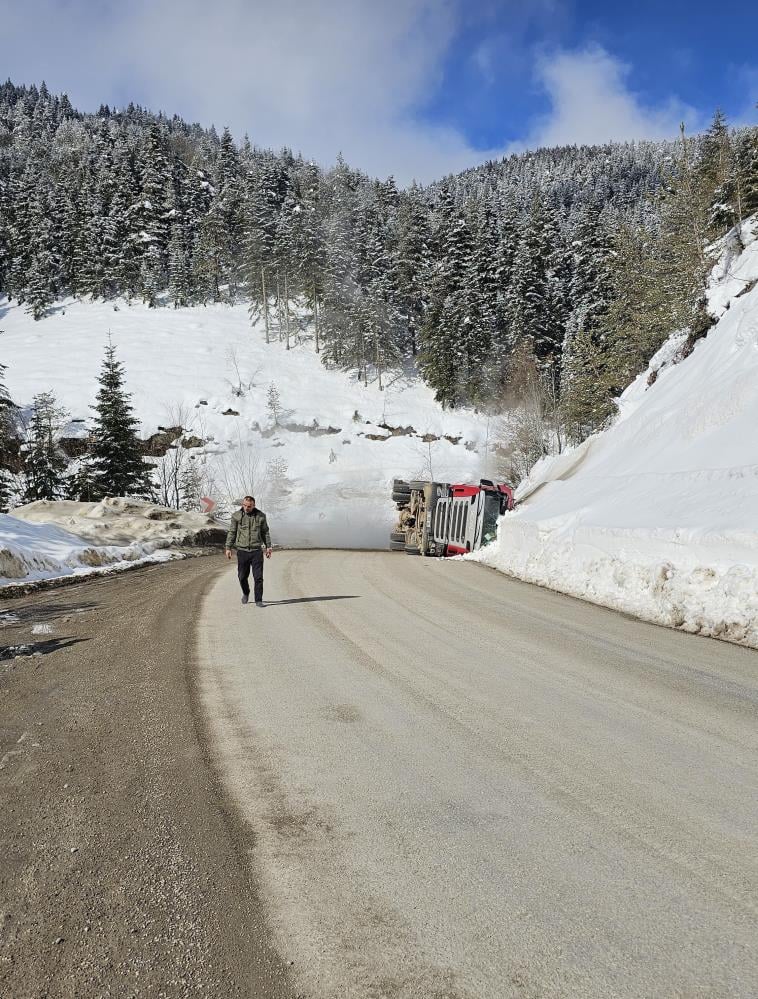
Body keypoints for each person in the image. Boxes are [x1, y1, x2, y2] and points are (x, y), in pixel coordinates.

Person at [225, 495, 273, 606]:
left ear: (254, 505)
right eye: (245, 505)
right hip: (242, 551)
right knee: (242, 576)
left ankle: (258, 600)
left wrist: (268, 547)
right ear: (242, 504)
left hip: (256, 551)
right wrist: (228, 547)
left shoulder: (261, 516)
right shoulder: (236, 516)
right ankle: (246, 593)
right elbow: (232, 532)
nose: (247, 508)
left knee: (258, 577)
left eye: (249, 506)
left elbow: (265, 532)